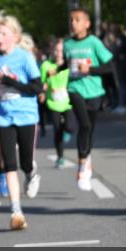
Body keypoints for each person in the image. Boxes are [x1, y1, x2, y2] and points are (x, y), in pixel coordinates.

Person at [0, 14, 42, 231]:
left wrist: (11, 81)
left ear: (15, 37)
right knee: (9, 164)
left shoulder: (25, 58)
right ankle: (16, 212)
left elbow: (37, 88)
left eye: (3, 34)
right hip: (4, 116)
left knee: (25, 162)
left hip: (26, 115)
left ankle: (31, 173)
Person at [62, 8, 115, 191]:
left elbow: (109, 66)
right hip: (74, 89)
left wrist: (90, 70)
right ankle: (82, 165)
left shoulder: (94, 42)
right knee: (83, 125)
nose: (73, 23)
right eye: (71, 20)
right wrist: (54, 70)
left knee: (89, 129)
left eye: (77, 20)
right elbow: (64, 65)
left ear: (87, 23)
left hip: (94, 91)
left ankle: (87, 156)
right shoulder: (67, 44)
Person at [41, 38, 73, 169]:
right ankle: (60, 157)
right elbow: (42, 83)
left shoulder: (68, 64)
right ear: (52, 50)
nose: (59, 53)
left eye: (61, 50)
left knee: (70, 127)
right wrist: (42, 91)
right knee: (57, 129)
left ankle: (67, 130)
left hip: (68, 102)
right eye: (56, 50)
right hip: (53, 102)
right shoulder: (46, 65)